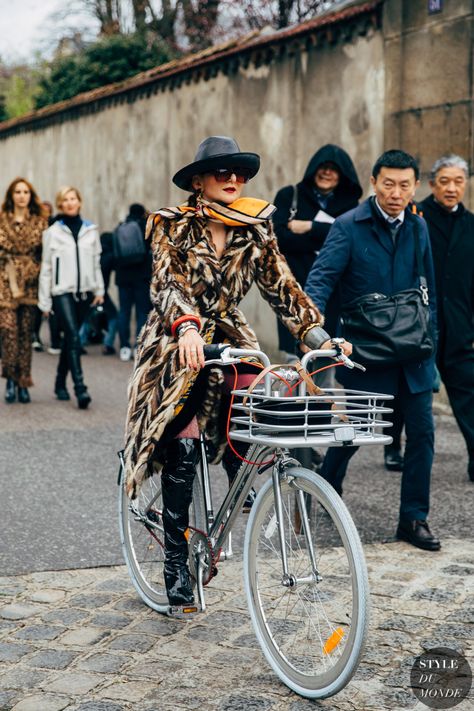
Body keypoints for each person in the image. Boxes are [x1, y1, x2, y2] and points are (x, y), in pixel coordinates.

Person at [123, 136, 352, 614]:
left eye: (239, 172)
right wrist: (186, 327)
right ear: (198, 181)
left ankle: (238, 476)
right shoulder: (172, 226)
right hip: (174, 339)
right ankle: (176, 564)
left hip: (230, 335)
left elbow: (282, 287)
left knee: (254, 405)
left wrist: (317, 335)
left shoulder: (255, 227)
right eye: (222, 172)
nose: (233, 179)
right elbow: (167, 283)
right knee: (182, 447)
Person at [305, 149, 441, 552]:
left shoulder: (419, 227)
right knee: (352, 435)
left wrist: (431, 343)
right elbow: (320, 280)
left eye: (404, 185)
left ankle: (413, 519)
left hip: (414, 354)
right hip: (366, 353)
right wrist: (313, 331)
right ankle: (325, 495)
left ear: (415, 186)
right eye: (388, 184)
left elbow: (429, 290)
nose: (396, 193)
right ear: (374, 182)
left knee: (423, 434)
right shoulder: (349, 226)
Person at [273, 144, 362, 358]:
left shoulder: (351, 205)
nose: (327, 173)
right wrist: (328, 238)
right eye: (323, 166)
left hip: (333, 296)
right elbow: (279, 239)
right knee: (294, 363)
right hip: (295, 291)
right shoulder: (289, 196)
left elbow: (352, 243)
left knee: (328, 357)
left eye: (334, 168)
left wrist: (309, 227)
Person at [419, 155, 474, 482]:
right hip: (420, 324)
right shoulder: (417, 217)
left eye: (458, 181)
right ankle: (392, 445)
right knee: (412, 394)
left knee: (468, 393)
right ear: (432, 184)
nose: (452, 188)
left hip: (459, 326)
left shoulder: (472, 224)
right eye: (445, 181)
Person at [38, 186, 104, 408]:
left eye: (73, 198)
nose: (69, 202)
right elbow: (46, 267)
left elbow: (96, 263)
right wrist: (44, 301)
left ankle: (59, 383)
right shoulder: (52, 232)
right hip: (61, 292)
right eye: (65, 199)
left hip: (84, 293)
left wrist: (99, 290)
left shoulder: (90, 230)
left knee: (69, 340)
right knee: (74, 337)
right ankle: (80, 388)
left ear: (79, 201)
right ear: (60, 204)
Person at [0, 178, 47, 403]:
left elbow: (45, 253)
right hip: (5, 281)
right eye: (17, 192)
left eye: (25, 192)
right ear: (11, 195)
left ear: (30, 195)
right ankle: (10, 377)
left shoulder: (40, 221)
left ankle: (23, 380)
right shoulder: (1, 219)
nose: (21, 195)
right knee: (9, 330)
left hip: (31, 281)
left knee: (25, 334)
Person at [115, 203, 152, 362]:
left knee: (124, 311)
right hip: (141, 277)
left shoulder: (119, 228)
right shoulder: (145, 226)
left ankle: (124, 347)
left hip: (122, 277)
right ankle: (138, 347)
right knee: (141, 313)